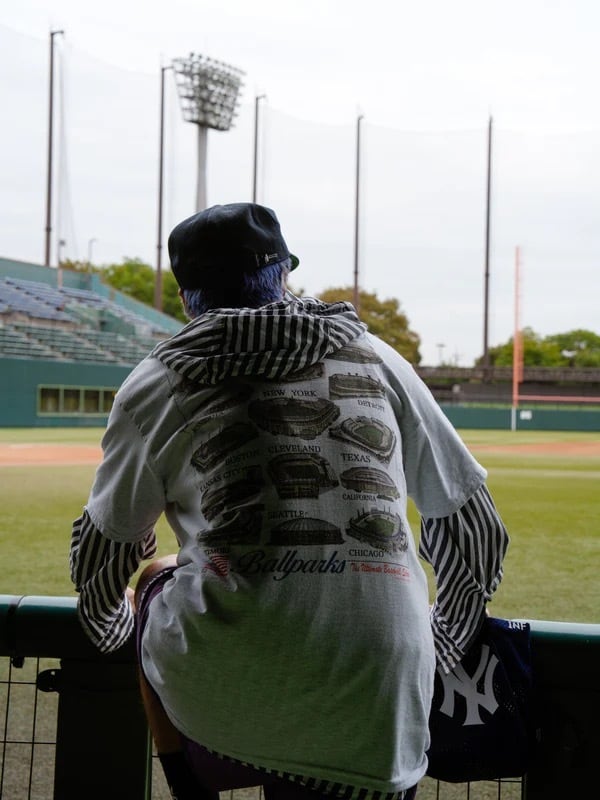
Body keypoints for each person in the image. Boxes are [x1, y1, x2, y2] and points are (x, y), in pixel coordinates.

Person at [70, 202, 509, 800]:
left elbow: (103, 553)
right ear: (282, 274)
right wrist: (442, 642)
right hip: (381, 716)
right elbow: (474, 525)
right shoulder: (379, 357)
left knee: (155, 575)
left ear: (188, 296)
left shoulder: (156, 382)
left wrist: (113, 630)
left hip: (221, 708)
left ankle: (187, 786)